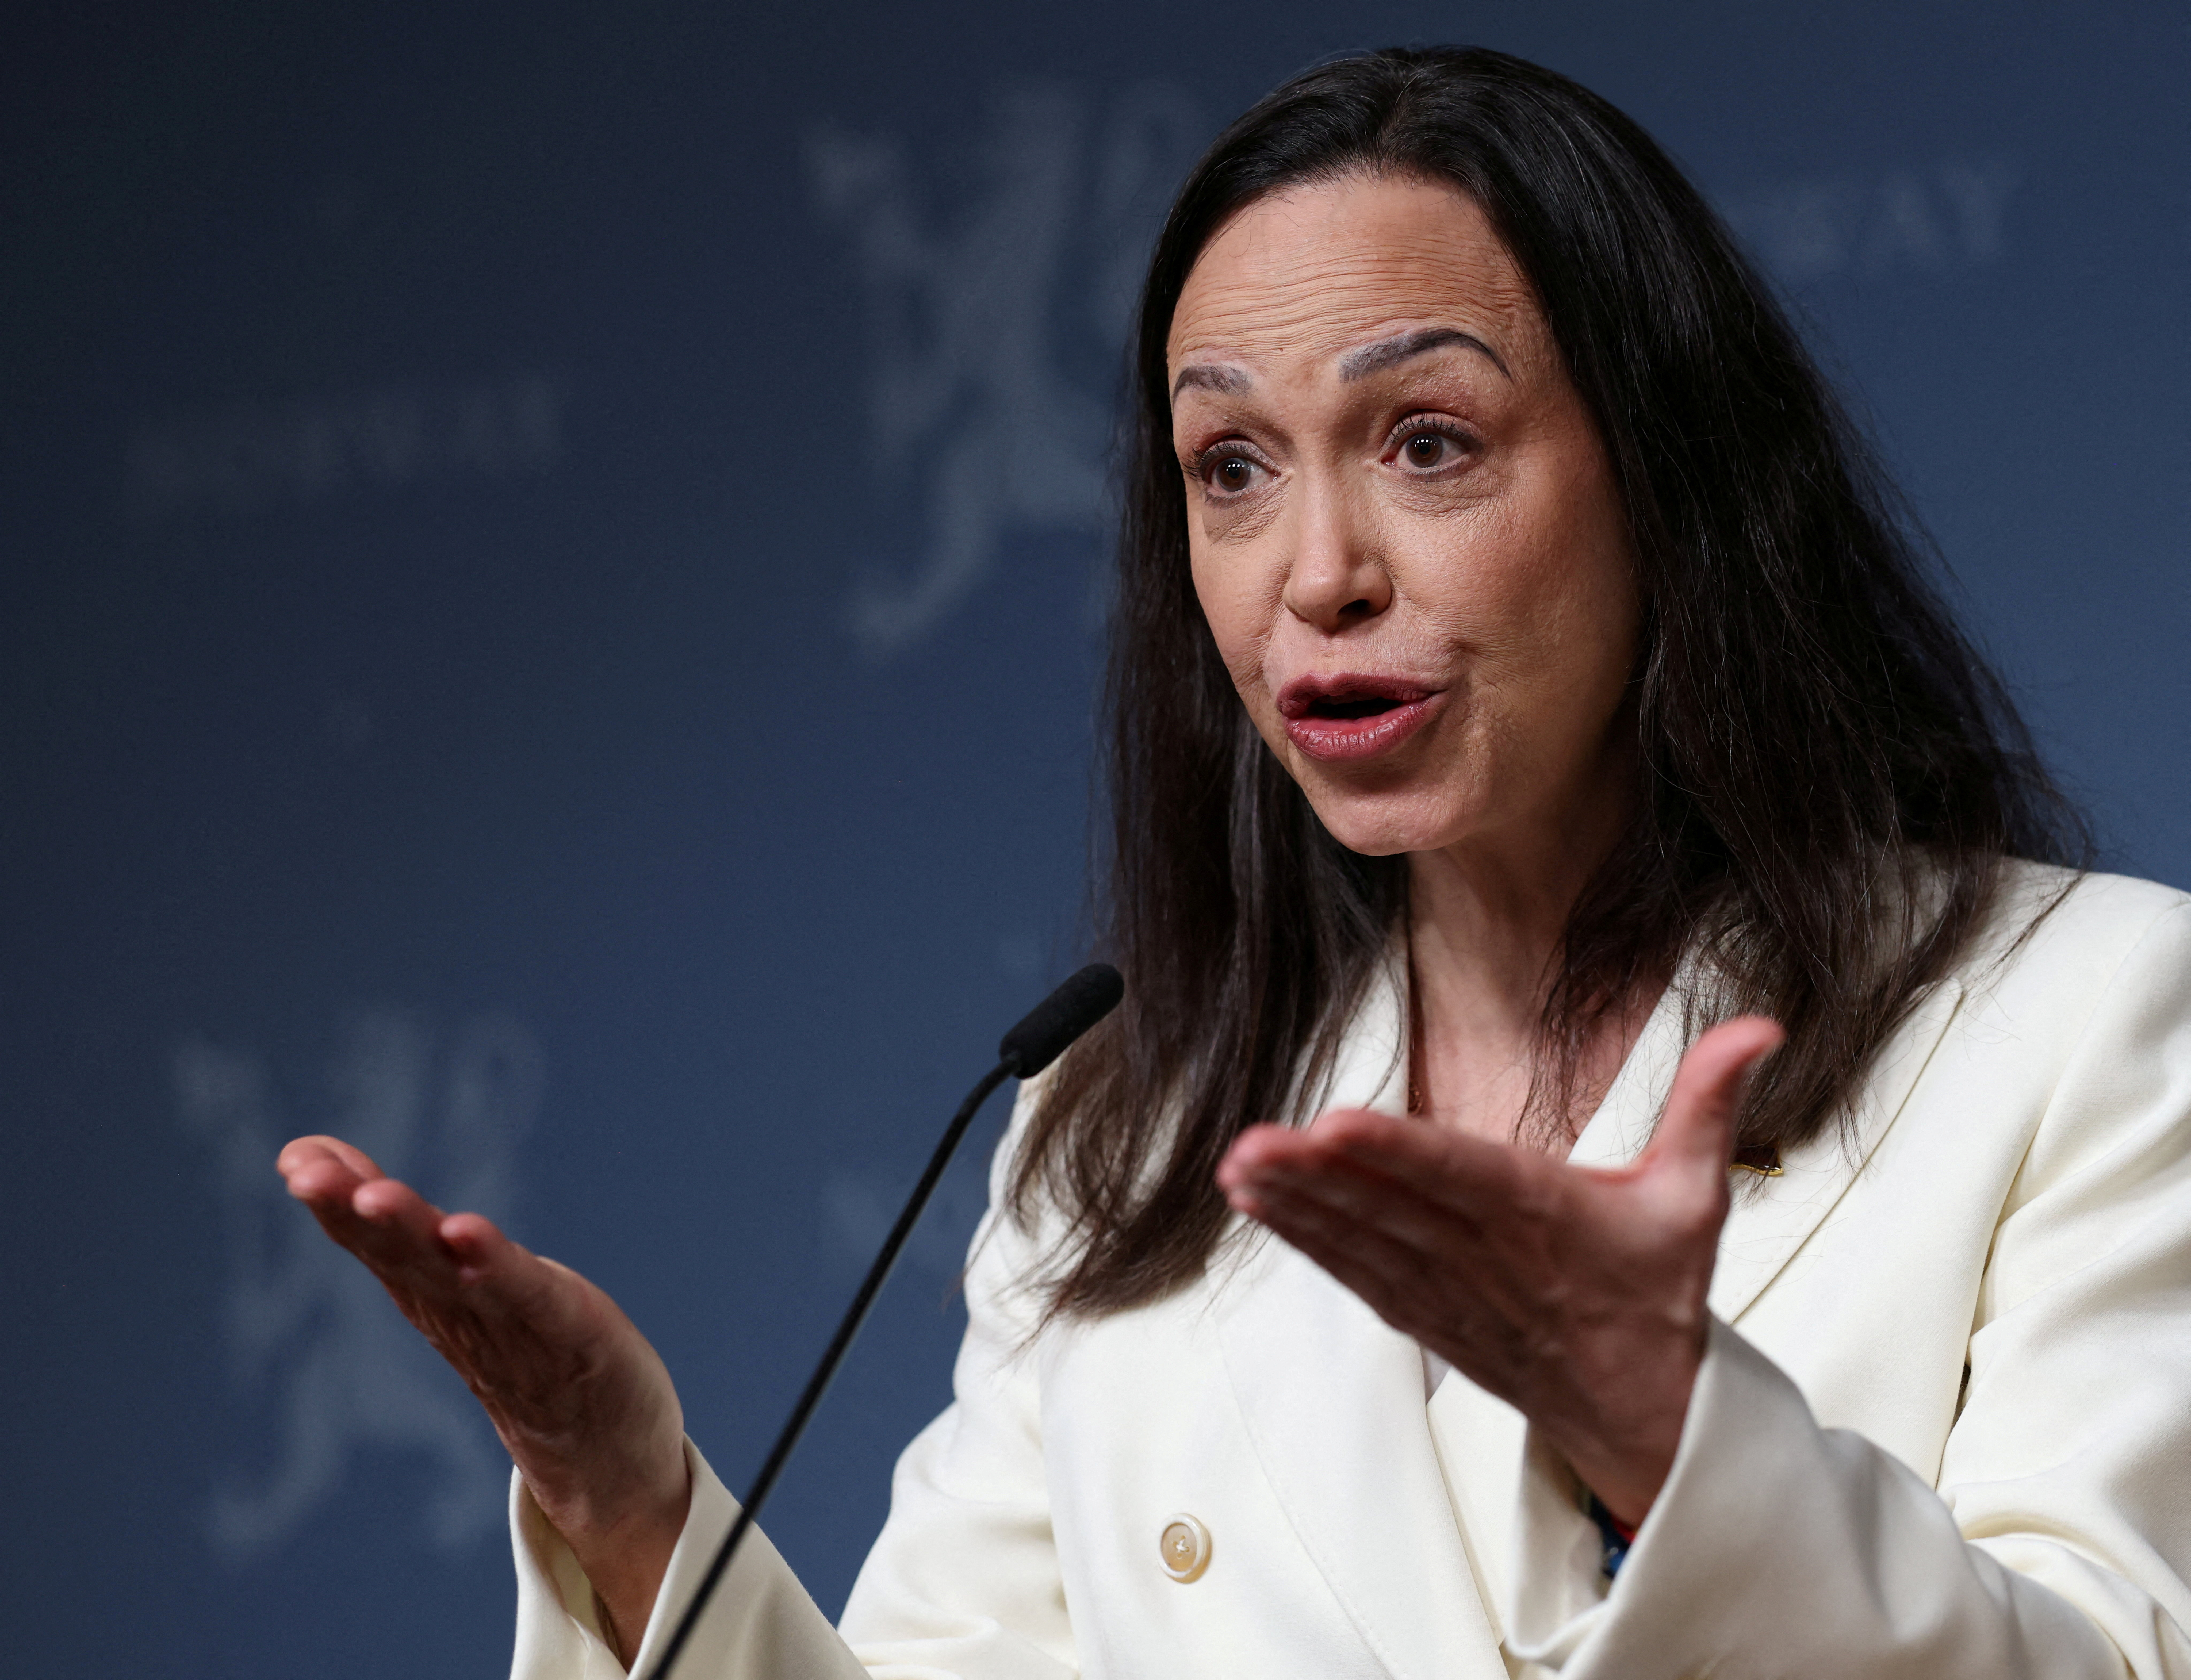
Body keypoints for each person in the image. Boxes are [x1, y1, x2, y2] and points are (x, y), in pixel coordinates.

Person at [278, 46, 2191, 1679]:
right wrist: (630, 1518)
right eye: (1233, 469)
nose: (1317, 574)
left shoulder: (2090, 1019)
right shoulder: (1119, 1132)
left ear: (1672, 484)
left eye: (1430, 441)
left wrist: (1674, 1452)